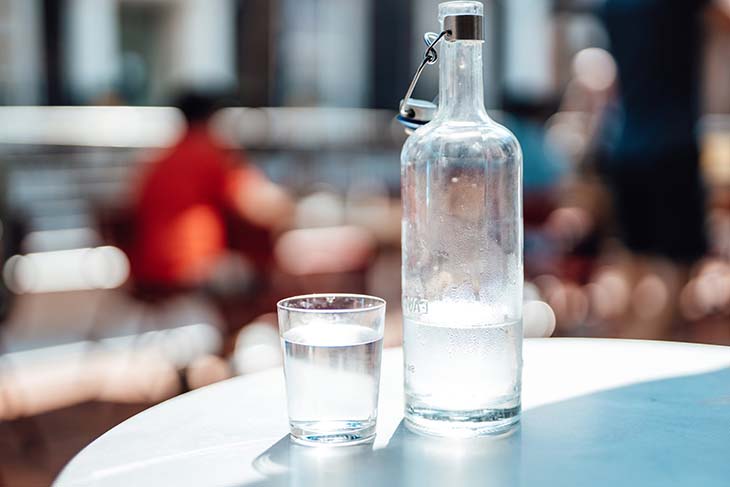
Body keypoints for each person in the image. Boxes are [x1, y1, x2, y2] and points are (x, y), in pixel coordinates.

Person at [598, 0, 730, 337]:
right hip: (671, 145)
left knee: (632, 263)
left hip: (624, 143)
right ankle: (642, 362)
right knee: (673, 270)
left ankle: (624, 351)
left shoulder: (613, 6)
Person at [130, 91, 292, 291]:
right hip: (194, 268)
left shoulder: (163, 157)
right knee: (281, 273)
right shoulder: (210, 154)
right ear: (214, 120)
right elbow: (258, 206)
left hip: (148, 267)